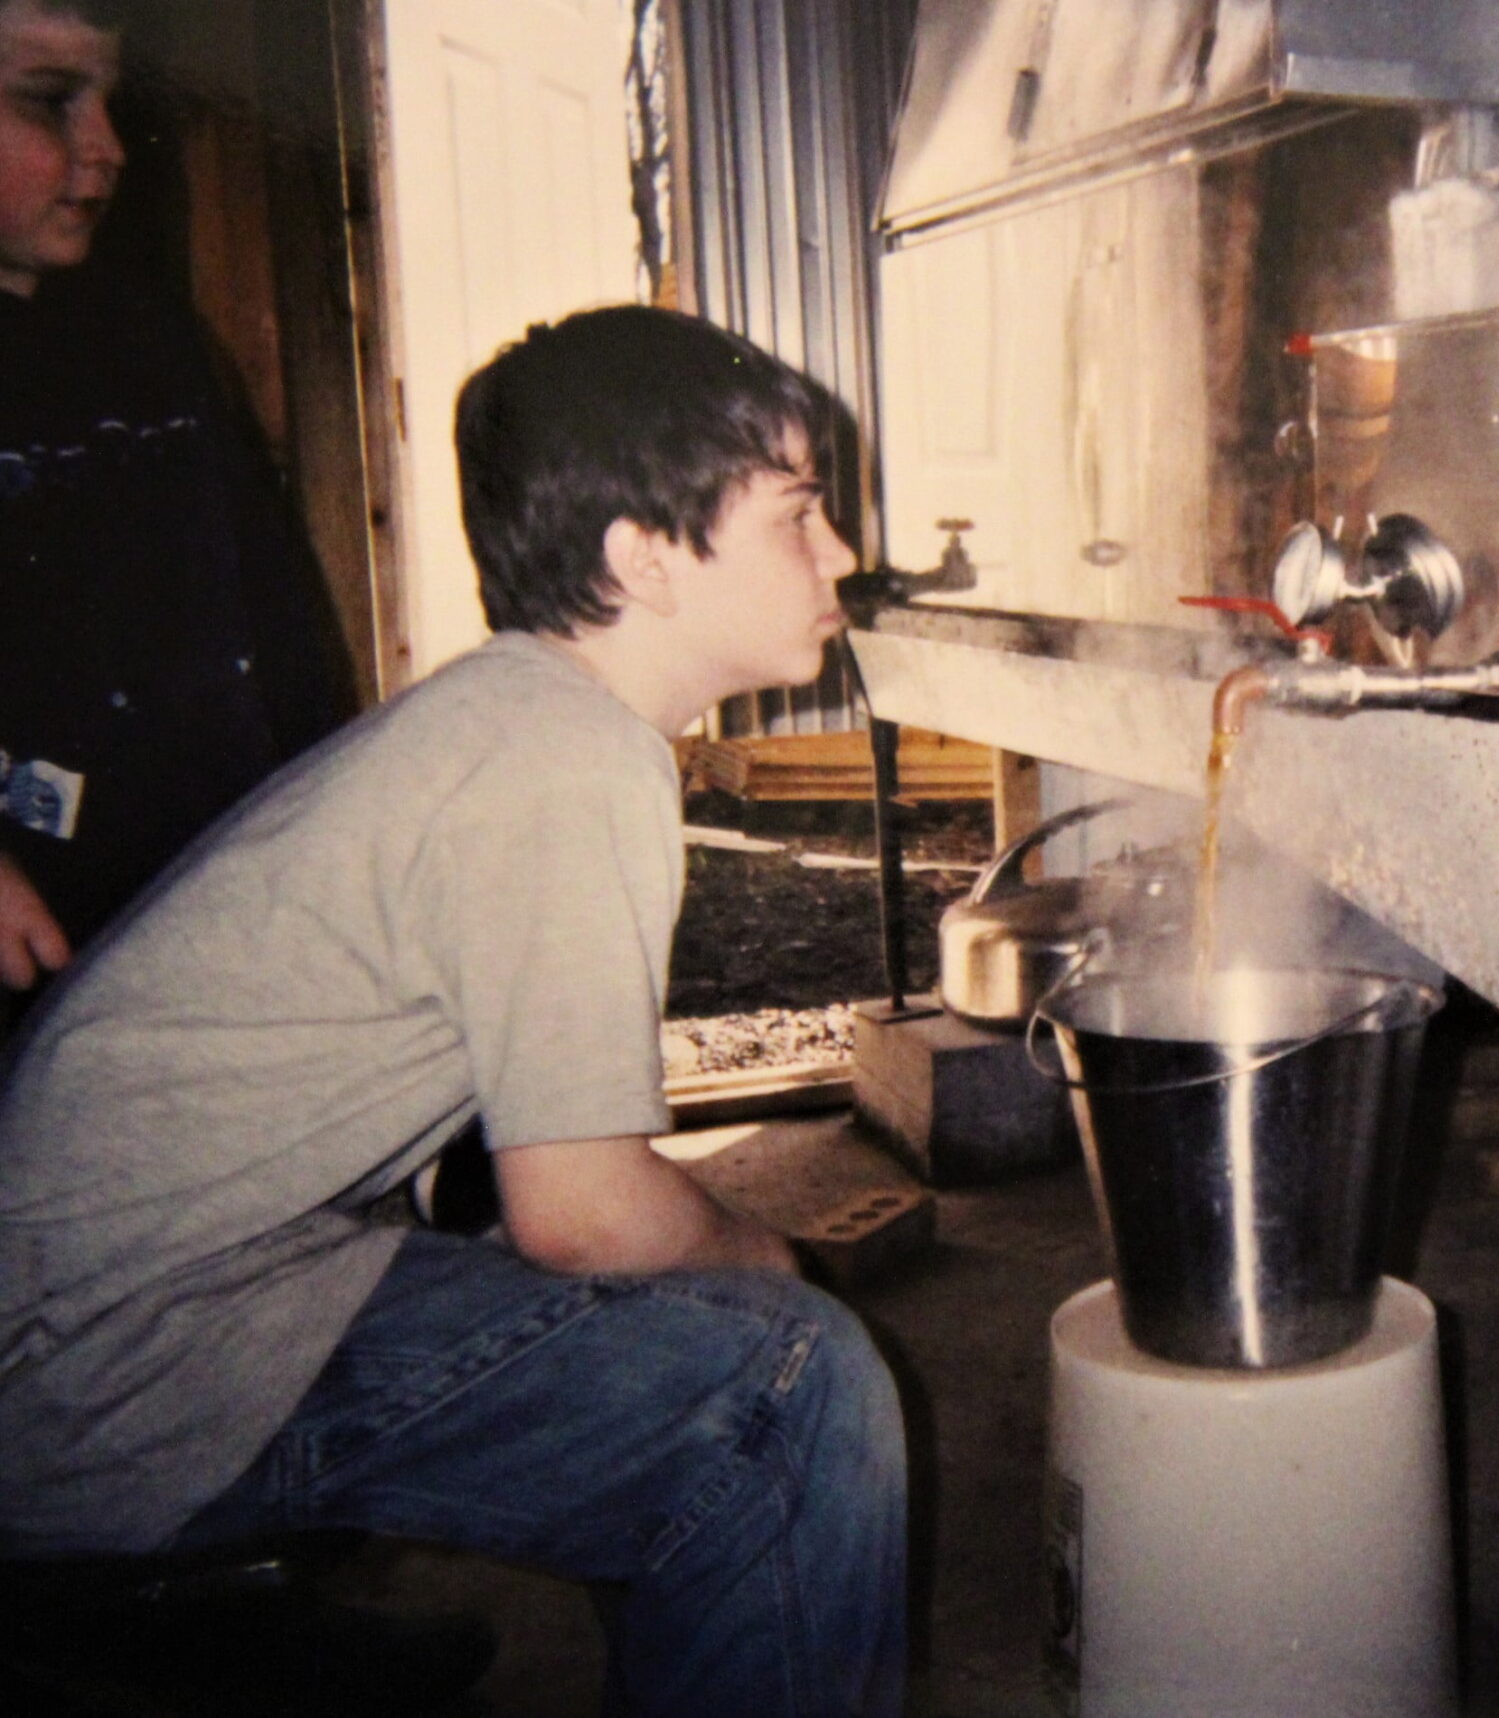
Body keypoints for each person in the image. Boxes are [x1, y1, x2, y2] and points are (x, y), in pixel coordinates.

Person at [0, 305, 905, 1716]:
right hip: (106, 1374)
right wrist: (770, 1255)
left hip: (141, 1297)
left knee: (679, 1324)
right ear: (644, 559)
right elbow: (583, 1212)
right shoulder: (566, 759)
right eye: (798, 511)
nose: (841, 551)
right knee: (786, 1376)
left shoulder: (517, 718)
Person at [0, 0, 356, 1029]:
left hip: (211, 895)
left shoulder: (150, 337)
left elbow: (280, 620)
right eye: (51, 101)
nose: (106, 145)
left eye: (110, 101)